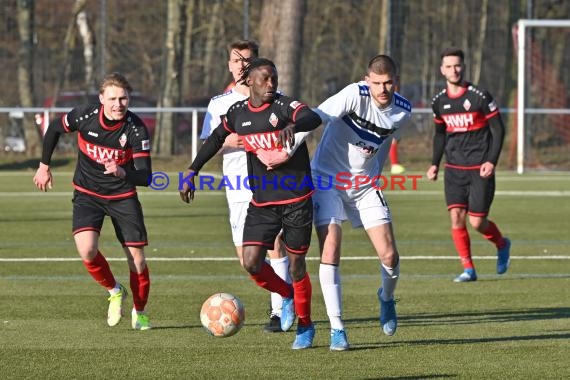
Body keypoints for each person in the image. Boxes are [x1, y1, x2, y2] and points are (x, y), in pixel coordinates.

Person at [180, 57, 322, 349]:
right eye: (265, 79)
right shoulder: (237, 113)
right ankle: (286, 295)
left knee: (297, 266)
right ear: (249, 82)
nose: (271, 84)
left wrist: (293, 129)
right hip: (263, 202)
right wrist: (192, 170)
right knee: (251, 262)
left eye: (274, 78)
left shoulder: (284, 107)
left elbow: (311, 117)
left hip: (296, 199)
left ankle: (306, 326)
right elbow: (215, 138)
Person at [306, 55, 412, 351]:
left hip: (365, 188)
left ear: (396, 81)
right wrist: (292, 139)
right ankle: (337, 328)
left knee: (390, 256)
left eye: (388, 82)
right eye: (377, 83)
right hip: (326, 180)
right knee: (331, 248)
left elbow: (387, 139)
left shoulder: (403, 110)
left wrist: (374, 175)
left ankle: (387, 299)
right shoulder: (354, 94)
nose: (383, 89)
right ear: (368, 80)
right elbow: (319, 115)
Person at [33, 72, 152, 330]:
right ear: (101, 99)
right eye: (112, 98)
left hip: (122, 196)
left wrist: (123, 172)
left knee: (138, 260)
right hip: (87, 194)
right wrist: (44, 165)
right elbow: (54, 128)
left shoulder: (135, 128)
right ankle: (114, 290)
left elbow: (146, 176)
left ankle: (140, 311)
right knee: (86, 250)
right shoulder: (85, 116)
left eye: (123, 98)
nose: (118, 104)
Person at [201, 40, 290, 333]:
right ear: (229, 65)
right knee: (247, 259)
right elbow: (208, 144)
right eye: (236, 60)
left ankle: (280, 309)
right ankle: (284, 293)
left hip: (270, 184)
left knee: (275, 244)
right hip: (237, 187)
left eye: (247, 61)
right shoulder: (219, 104)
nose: (241, 65)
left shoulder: (273, 99)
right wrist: (228, 140)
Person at [427, 47, 511, 282]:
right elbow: (440, 135)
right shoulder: (439, 102)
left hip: (479, 168)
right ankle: (468, 269)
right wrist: (434, 163)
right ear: (442, 70)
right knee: (456, 217)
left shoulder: (479, 96)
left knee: (477, 222)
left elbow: (498, 129)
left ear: (463, 67)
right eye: (449, 66)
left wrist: (491, 161)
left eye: (458, 65)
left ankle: (502, 244)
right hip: (453, 169)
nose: (454, 70)